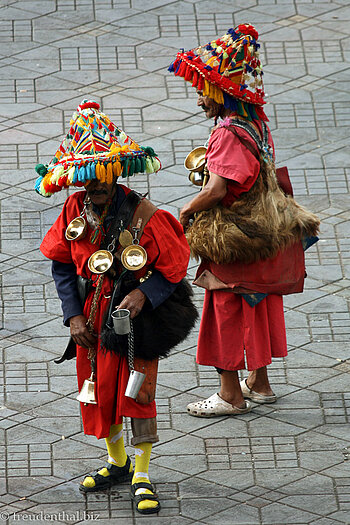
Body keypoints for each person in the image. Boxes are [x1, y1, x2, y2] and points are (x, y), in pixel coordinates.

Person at [36, 100, 195, 514]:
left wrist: (144, 295)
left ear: (115, 173)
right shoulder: (73, 209)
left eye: (100, 178)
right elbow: (60, 266)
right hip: (89, 321)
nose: (94, 187)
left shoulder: (146, 215)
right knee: (98, 391)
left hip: (134, 322)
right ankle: (118, 462)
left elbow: (174, 269)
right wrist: (72, 316)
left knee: (138, 391)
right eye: (86, 180)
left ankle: (142, 474)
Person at [168, 24, 319, 416]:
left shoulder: (226, 133)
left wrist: (186, 211)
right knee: (259, 300)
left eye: (204, 90)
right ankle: (261, 383)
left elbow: (217, 191)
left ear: (223, 91)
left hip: (235, 238)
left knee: (227, 308)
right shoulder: (257, 122)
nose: (200, 98)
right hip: (264, 232)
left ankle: (230, 395)